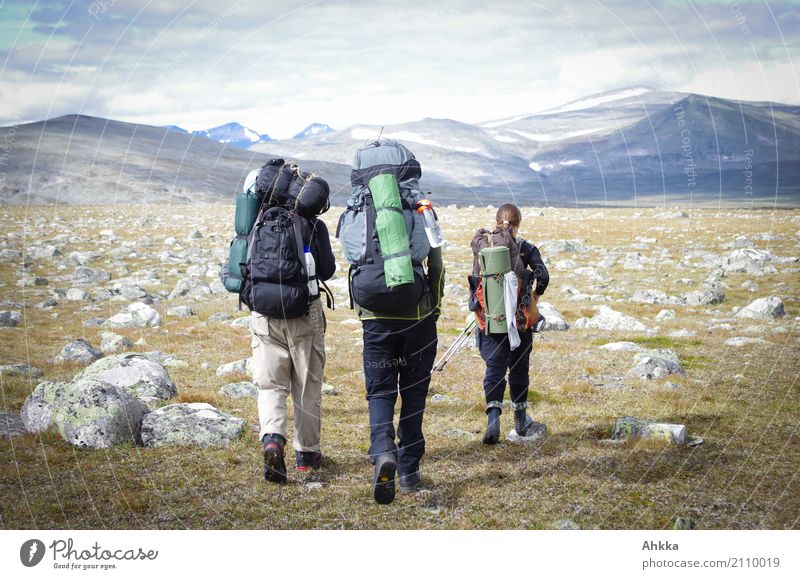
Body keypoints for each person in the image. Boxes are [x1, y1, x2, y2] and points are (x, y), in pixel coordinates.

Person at [339, 139, 445, 504]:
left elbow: (352, 255)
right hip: (417, 313)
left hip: (375, 318)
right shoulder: (421, 206)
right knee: (414, 392)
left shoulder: (357, 209)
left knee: (380, 390)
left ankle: (383, 451)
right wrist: (434, 304)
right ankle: (410, 471)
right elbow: (437, 261)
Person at [250, 203, 337, 483]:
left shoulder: (256, 220)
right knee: (307, 385)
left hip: (263, 312)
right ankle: (306, 454)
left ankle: (273, 439)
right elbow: (327, 269)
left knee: (270, 384)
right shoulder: (313, 224)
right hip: (305, 312)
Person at [471, 203, 549, 444]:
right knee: (519, 369)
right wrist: (534, 297)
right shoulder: (525, 248)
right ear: (518, 223)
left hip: (490, 321)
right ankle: (520, 422)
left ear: (496, 221)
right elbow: (543, 275)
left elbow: (475, 281)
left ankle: (493, 421)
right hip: (519, 321)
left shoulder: (484, 243)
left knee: (494, 368)